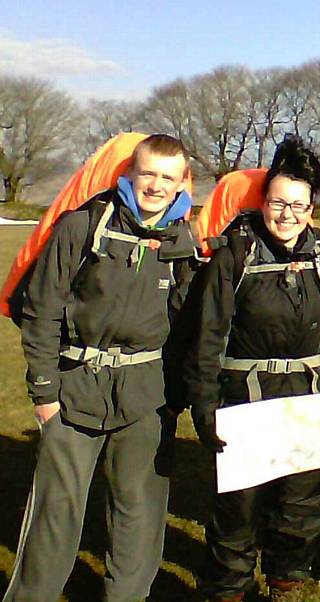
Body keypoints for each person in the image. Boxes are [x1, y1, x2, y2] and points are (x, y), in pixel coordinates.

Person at [3, 134, 195, 602]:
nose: (155, 185)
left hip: (146, 394)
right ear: (130, 172)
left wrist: (175, 396)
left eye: (167, 178)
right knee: (56, 512)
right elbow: (41, 309)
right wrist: (45, 392)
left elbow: (188, 322)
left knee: (139, 512)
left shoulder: (183, 239)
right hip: (74, 387)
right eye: (147, 173)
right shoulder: (83, 225)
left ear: (179, 185)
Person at [182, 135, 320, 602]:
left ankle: (286, 580)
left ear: (311, 207)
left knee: (300, 507)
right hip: (245, 400)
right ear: (264, 201)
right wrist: (204, 406)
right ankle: (229, 588)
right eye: (279, 202)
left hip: (309, 398)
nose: (287, 214)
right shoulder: (232, 257)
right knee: (237, 510)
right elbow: (207, 338)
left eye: (299, 205)